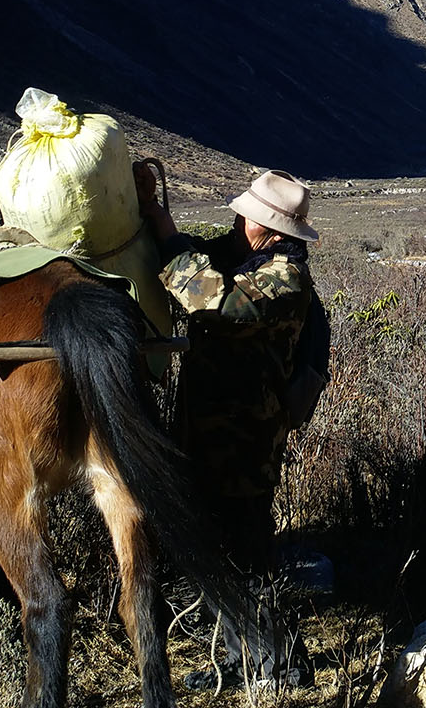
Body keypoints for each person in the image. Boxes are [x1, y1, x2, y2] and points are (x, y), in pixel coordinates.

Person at [134, 163, 325, 690]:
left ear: (268, 230)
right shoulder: (250, 258)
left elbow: (212, 299)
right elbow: (203, 251)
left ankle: (278, 663)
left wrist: (164, 230)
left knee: (246, 548)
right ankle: (245, 656)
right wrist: (154, 218)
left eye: (246, 218)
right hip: (215, 430)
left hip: (246, 438)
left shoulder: (283, 280)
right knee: (225, 544)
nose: (236, 225)